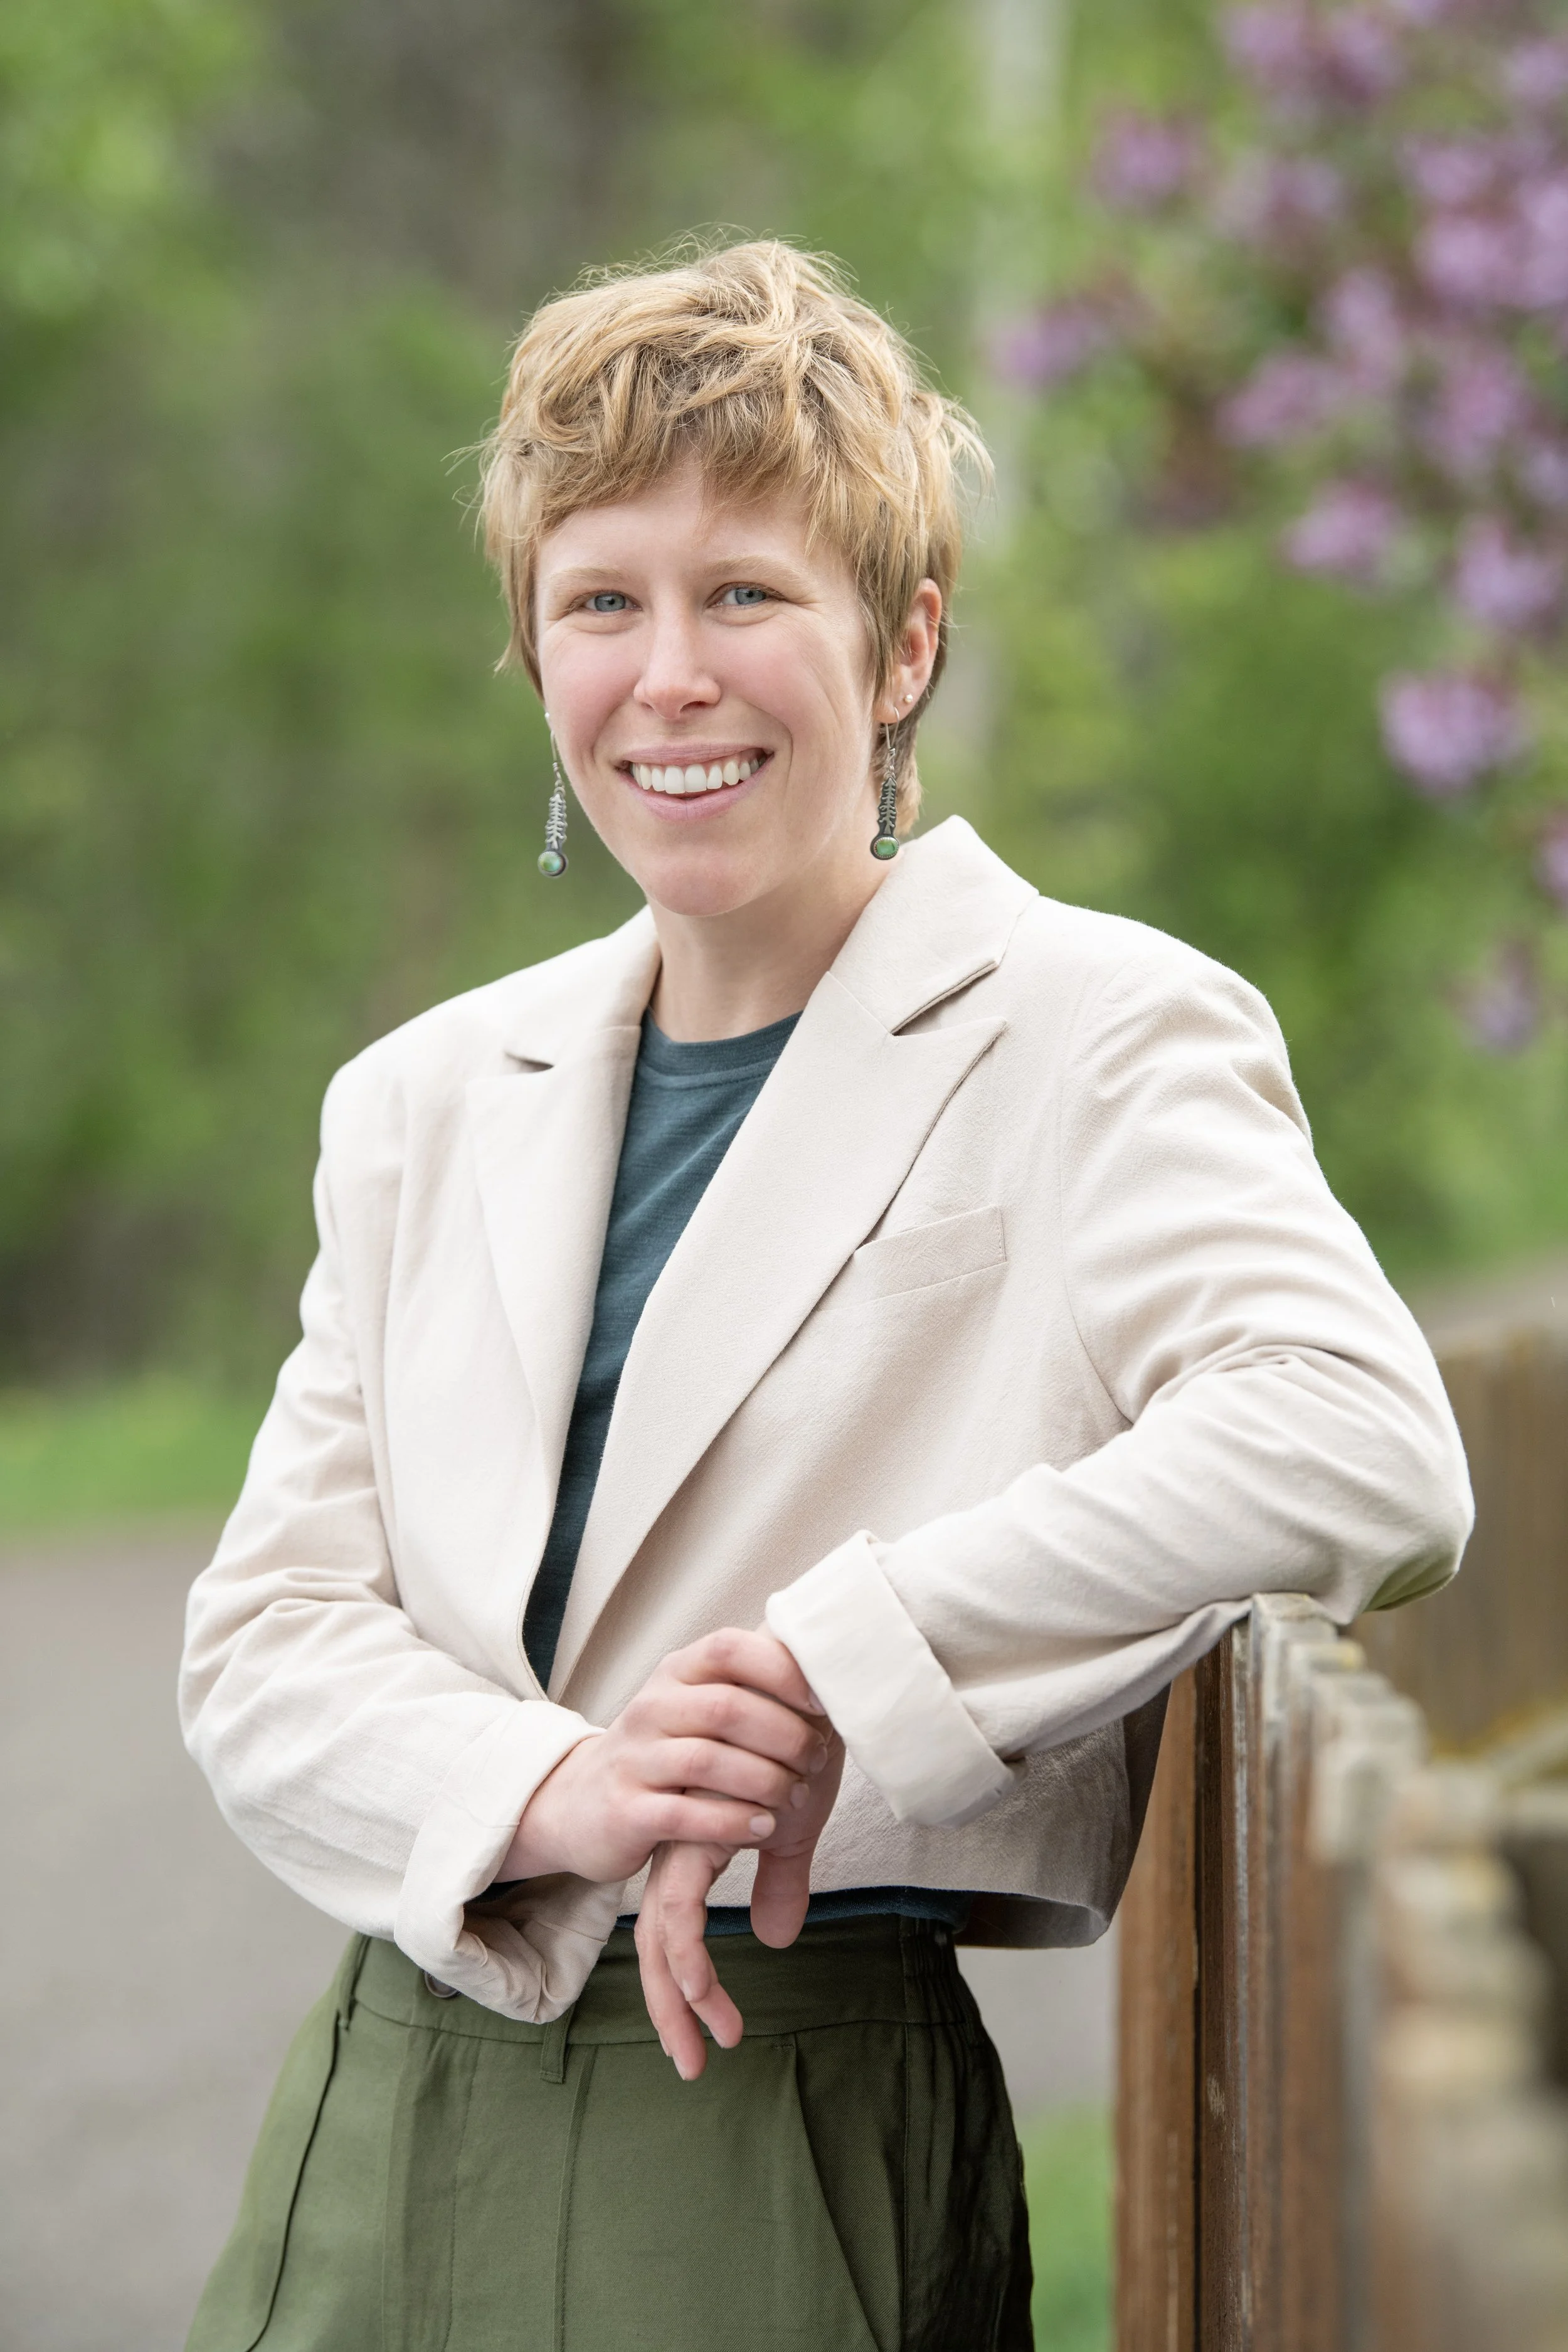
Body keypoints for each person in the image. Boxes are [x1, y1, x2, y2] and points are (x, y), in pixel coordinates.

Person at [179, 240, 1472, 2352]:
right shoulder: (418, 1098)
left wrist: (826, 1654)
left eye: (746, 594)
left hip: (770, 2093)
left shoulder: (1097, 1028)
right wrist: (555, 1793)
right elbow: (262, 1639)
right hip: (388, 2074)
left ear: (900, 646)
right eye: (601, 601)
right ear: (534, 658)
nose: (667, 673)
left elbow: (1356, 1432)